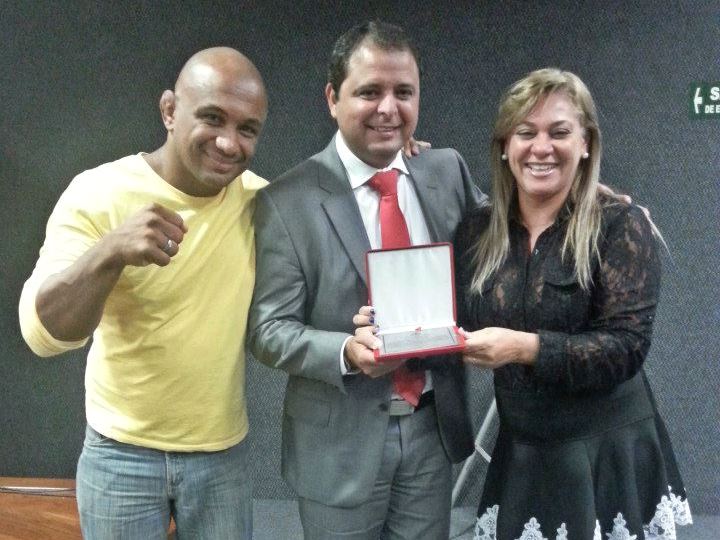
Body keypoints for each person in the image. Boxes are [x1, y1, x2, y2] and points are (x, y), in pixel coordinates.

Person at [248, 20, 485, 540]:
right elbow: (267, 330)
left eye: (404, 92)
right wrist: (345, 352)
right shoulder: (287, 201)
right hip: (338, 447)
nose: (388, 108)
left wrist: (587, 197)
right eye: (369, 92)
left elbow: (511, 234)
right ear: (333, 99)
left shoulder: (445, 170)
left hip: (432, 431)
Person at [18, 47, 267, 539]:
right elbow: (42, 333)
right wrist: (109, 252)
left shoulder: (259, 202)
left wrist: (398, 157)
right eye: (212, 118)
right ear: (170, 110)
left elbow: (338, 193)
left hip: (222, 456)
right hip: (120, 455)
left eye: (247, 129)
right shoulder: (98, 193)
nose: (228, 142)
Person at [452, 68, 692, 539]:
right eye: (526, 132)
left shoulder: (620, 224)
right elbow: (450, 318)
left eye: (559, 132)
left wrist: (524, 347)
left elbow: (625, 348)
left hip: (604, 452)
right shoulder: (476, 231)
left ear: (586, 144)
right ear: (504, 146)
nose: (541, 147)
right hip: (523, 448)